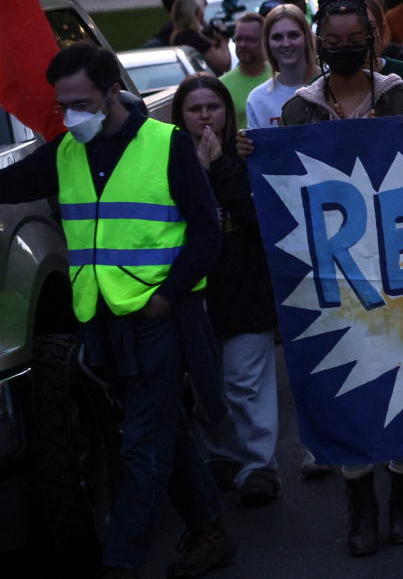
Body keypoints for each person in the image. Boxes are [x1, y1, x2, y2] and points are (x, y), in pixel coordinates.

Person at [0, 43, 231, 579]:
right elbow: (9, 184)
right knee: (162, 429)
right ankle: (210, 531)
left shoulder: (164, 143)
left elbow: (206, 231)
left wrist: (166, 296)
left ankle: (120, 563)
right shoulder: (65, 152)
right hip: (102, 321)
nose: (69, 115)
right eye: (63, 105)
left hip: (157, 318)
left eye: (80, 102)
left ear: (110, 93)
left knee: (142, 446)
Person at [274, 0, 403, 555]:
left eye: (355, 39)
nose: (344, 47)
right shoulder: (297, 111)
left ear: (370, 41)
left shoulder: (398, 98)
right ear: (320, 43)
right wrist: (253, 156)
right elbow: (284, 193)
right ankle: (360, 501)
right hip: (335, 274)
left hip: (401, 267)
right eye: (333, 40)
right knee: (349, 384)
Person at [174, 74, 280, 507]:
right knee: (206, 380)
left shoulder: (247, 155)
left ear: (226, 112)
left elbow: (259, 214)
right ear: (181, 115)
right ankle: (220, 455)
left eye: (212, 107)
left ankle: (259, 466)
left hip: (245, 284)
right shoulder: (170, 160)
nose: (204, 117)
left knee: (245, 382)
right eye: (194, 109)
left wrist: (219, 167)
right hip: (196, 289)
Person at [245, 5, 317, 130]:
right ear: (267, 43)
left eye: (293, 35)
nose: (286, 43)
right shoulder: (258, 99)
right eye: (277, 37)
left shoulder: (332, 84)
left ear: (306, 37)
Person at [219, 12, 268, 130]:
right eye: (238, 39)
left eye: (250, 39)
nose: (242, 45)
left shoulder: (280, 77)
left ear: (264, 41)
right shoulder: (221, 85)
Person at [170, 0, 231, 75]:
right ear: (195, 13)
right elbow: (225, 64)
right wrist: (224, 40)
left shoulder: (177, 36)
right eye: (200, 10)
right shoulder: (195, 39)